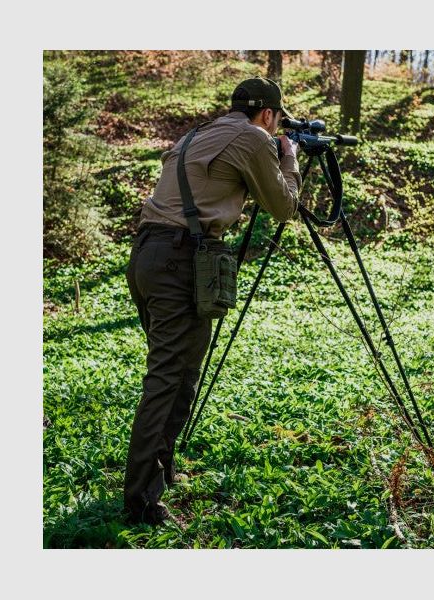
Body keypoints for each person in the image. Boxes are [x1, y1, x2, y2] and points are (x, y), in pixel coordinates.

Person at [124, 77, 301, 525]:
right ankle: (140, 500)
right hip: (178, 263)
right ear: (268, 115)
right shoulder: (255, 137)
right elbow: (284, 207)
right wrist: (291, 158)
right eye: (276, 119)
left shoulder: (199, 132)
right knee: (168, 378)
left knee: (180, 373)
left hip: (148, 256)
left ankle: (159, 475)